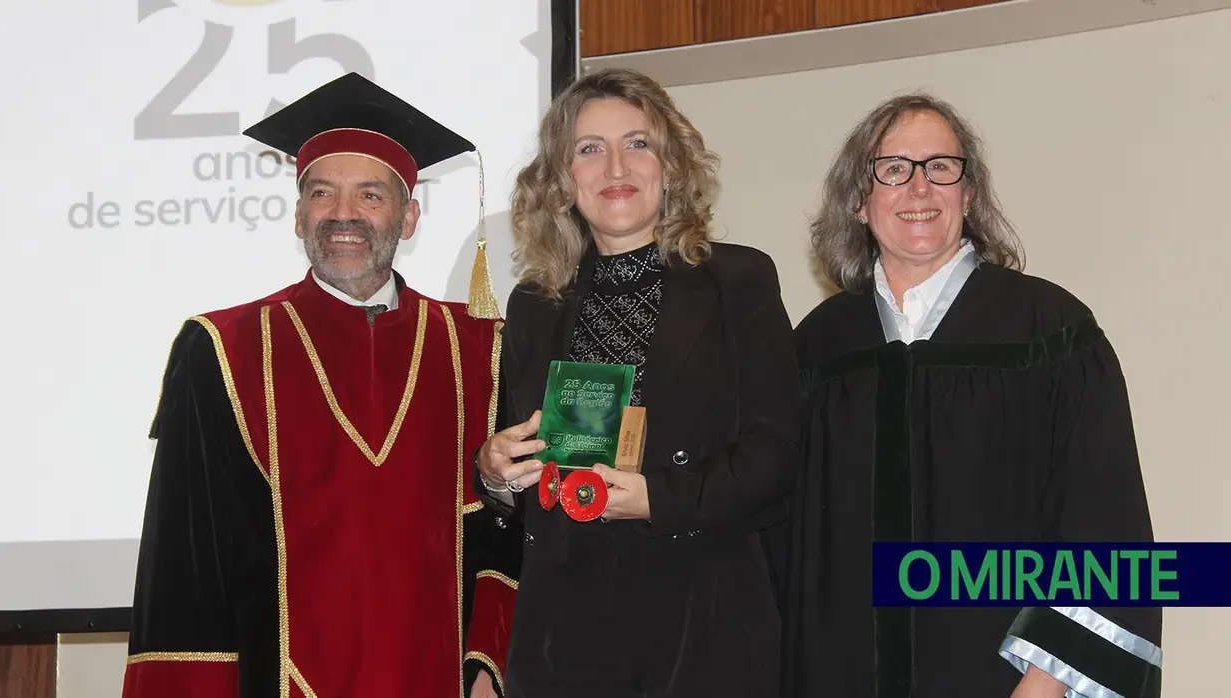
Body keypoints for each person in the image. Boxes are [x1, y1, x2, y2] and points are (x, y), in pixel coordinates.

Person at [120, 72, 519, 698]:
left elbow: (508, 532)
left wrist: (488, 659)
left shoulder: (478, 350)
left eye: (370, 195)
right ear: (299, 214)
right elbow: (187, 564)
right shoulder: (223, 350)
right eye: (322, 194)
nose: (343, 215)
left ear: (409, 216)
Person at [777, 92, 1163, 698]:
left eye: (941, 167)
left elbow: (1102, 518)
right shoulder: (819, 350)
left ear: (969, 193)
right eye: (893, 169)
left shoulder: (1049, 331)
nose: (920, 188)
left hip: (1009, 681)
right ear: (858, 200)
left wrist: (1046, 682)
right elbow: (785, 548)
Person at [473, 67, 802, 698]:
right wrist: (494, 469)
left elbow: (776, 453)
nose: (615, 166)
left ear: (671, 165)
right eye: (589, 150)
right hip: (565, 632)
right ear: (563, 180)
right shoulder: (533, 306)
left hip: (703, 620)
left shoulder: (739, 280)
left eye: (638, 143)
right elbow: (521, 467)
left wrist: (656, 497)